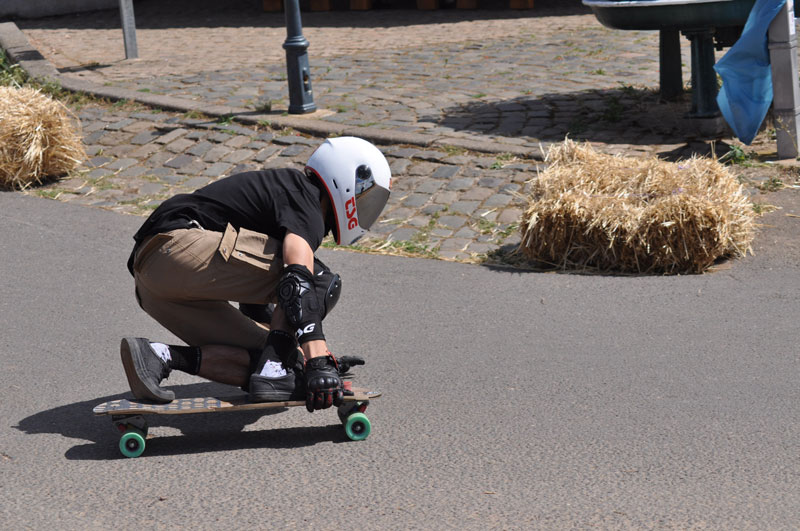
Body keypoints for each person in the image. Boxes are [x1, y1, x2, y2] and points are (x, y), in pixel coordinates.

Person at [121, 136, 391, 412]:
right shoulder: (304, 195)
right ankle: (276, 368)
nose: (365, 208)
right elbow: (297, 282)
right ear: (346, 178)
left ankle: (160, 356)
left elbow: (258, 308)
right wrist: (317, 361)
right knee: (321, 281)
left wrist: (299, 359)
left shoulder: (289, 204)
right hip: (176, 245)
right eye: (365, 197)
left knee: (281, 364)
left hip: (154, 282)